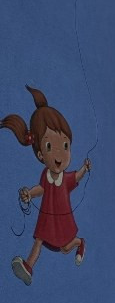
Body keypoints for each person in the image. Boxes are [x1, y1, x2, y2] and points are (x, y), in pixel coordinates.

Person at [2, 86, 89, 285]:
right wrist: (29, 195)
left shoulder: (65, 178)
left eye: (65, 146)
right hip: (48, 215)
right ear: (41, 154)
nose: (60, 155)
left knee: (66, 248)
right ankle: (28, 266)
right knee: (40, 239)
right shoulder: (46, 175)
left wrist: (85, 167)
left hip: (63, 218)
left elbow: (76, 176)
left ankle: (80, 243)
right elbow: (41, 189)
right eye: (50, 146)